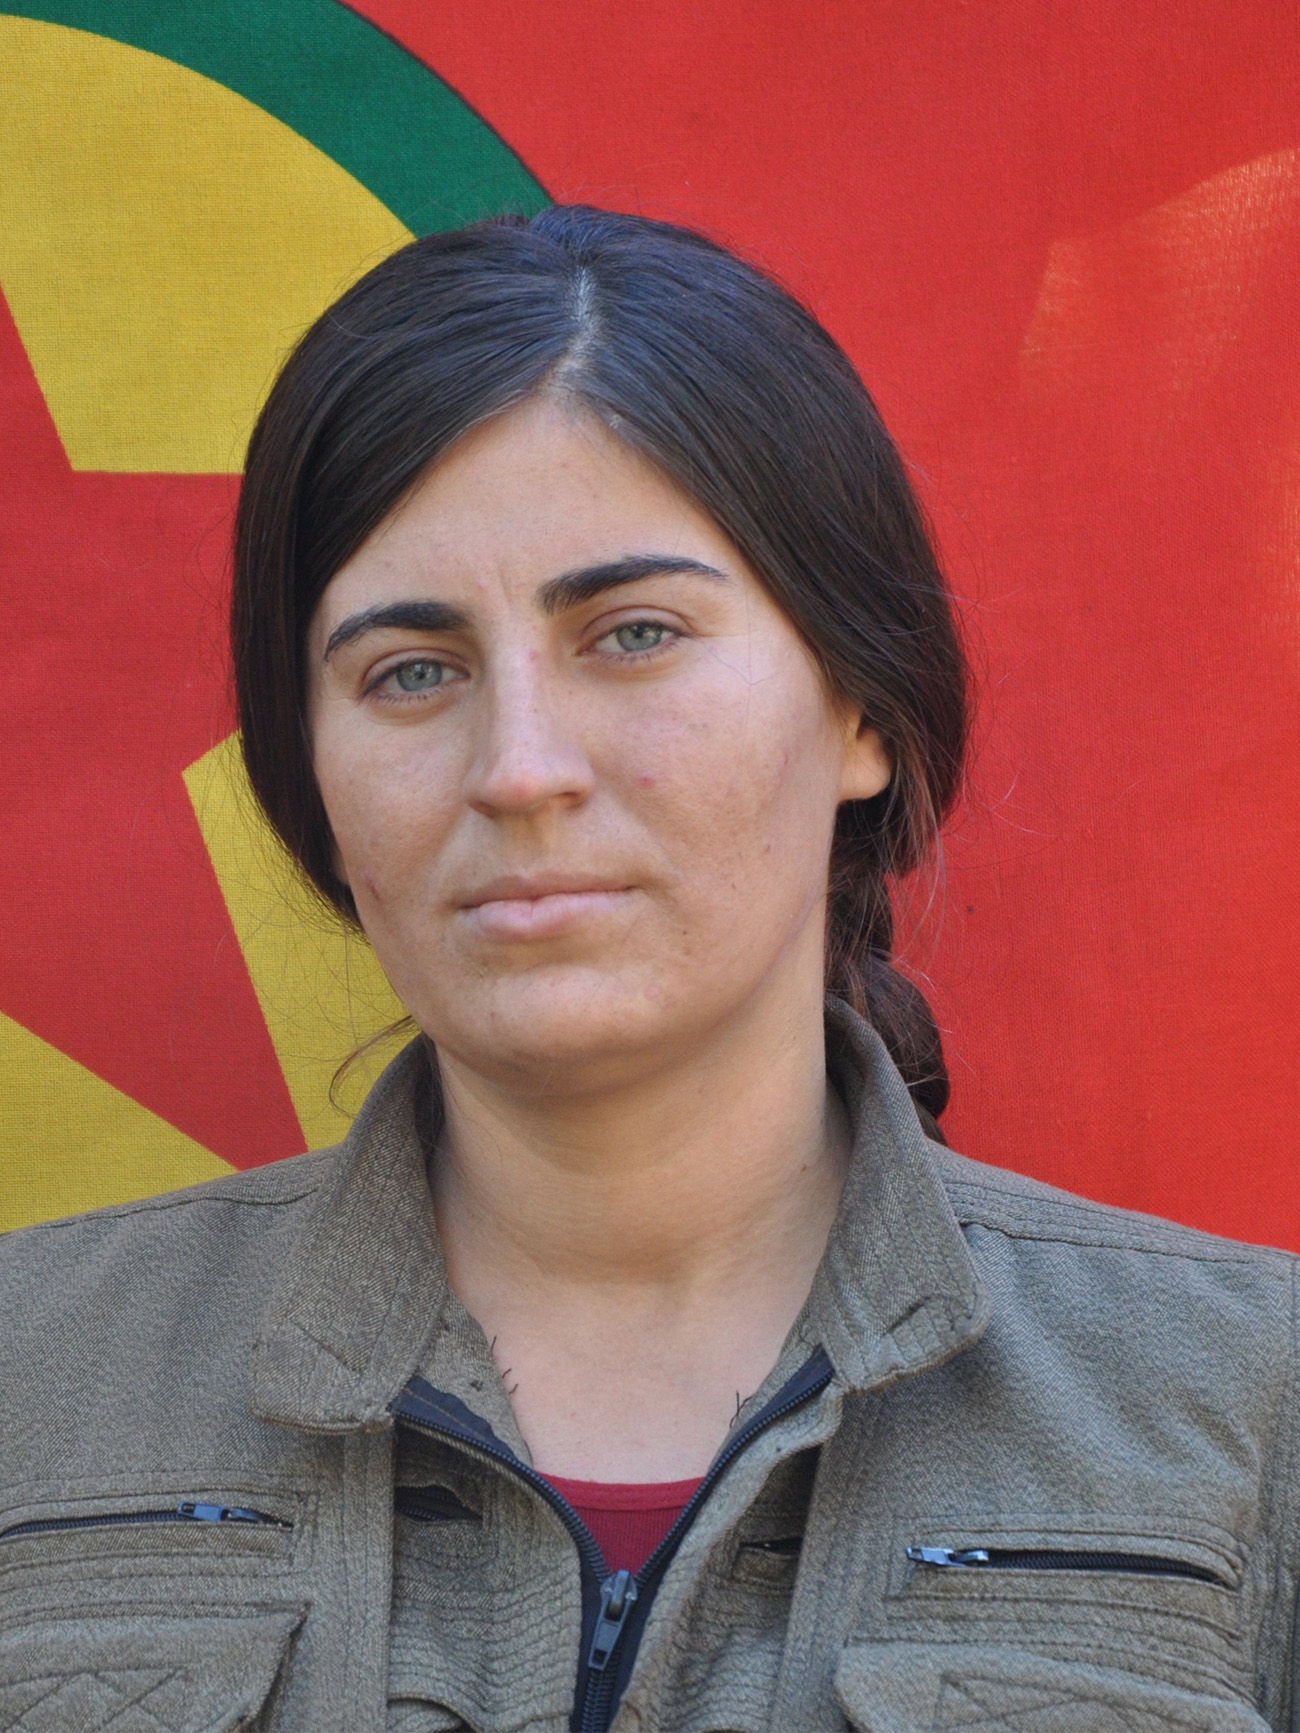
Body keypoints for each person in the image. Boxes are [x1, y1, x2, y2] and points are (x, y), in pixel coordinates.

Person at [1, 206, 1296, 1733]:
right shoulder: (33, 1380)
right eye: (410, 671)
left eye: (632, 635)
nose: (519, 768)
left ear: (863, 710)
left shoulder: (1252, 1404)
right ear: (311, 773)